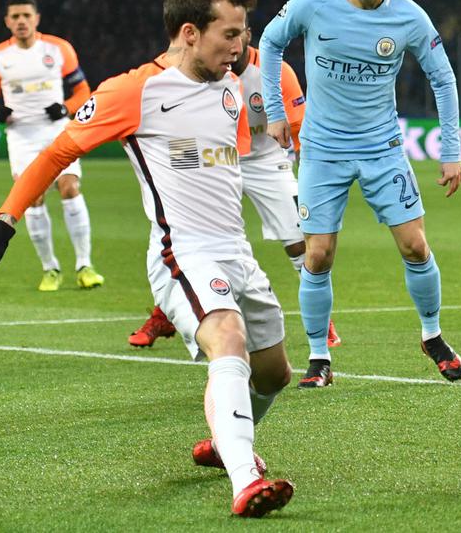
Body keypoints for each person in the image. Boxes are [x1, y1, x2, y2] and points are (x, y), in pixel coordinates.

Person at [0, 0, 294, 517]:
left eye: (244, 34)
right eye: (231, 35)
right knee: (228, 339)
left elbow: (230, 165)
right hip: (181, 251)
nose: (243, 48)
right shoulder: (133, 90)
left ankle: (225, 440)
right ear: (189, 33)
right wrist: (5, 221)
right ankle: (245, 477)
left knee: (273, 373)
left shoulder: (233, 88)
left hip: (236, 252)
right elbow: (55, 153)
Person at [259, 0, 461, 388]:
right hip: (323, 150)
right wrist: (276, 111)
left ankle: (432, 336)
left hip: (382, 149)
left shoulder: (410, 17)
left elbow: (443, 77)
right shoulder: (313, 3)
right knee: (319, 255)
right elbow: (270, 43)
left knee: (415, 245)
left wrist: (450, 149)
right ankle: (318, 359)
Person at [128, 26, 342, 350]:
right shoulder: (202, 74)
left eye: (235, 36)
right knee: (180, 238)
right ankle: (164, 313)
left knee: (300, 240)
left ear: (248, 36)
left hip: (267, 160)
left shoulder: (275, 71)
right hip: (215, 158)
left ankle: (321, 320)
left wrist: (312, 175)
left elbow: (299, 126)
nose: (230, 45)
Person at [0, 0, 103, 291]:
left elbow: (83, 91)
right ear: (7, 22)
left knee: (70, 187)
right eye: (15, 16)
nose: (21, 21)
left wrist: (65, 107)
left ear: (37, 18)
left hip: (57, 131)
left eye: (26, 15)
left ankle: (85, 265)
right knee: (33, 197)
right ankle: (50, 269)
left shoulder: (59, 49)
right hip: (21, 136)